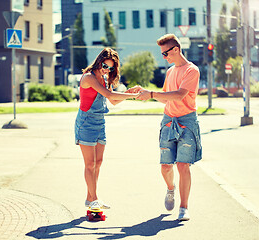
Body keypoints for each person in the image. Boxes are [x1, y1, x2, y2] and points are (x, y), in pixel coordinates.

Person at [135, 34, 202, 221]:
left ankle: (184, 207)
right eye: (162, 54)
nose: (164, 57)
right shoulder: (171, 71)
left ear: (176, 50)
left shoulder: (192, 70)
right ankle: (170, 189)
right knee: (166, 167)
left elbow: (180, 95)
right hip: (168, 120)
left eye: (166, 53)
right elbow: (165, 97)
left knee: (182, 166)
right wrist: (145, 92)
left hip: (187, 121)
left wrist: (151, 94)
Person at [74, 47, 139, 210]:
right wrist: (134, 96)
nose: (106, 69)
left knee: (98, 162)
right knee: (89, 164)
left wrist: (129, 93)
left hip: (99, 122)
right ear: (99, 61)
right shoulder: (89, 78)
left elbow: (114, 101)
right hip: (86, 122)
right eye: (105, 65)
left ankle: (90, 199)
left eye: (110, 68)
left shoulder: (103, 78)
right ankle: (94, 198)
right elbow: (110, 95)